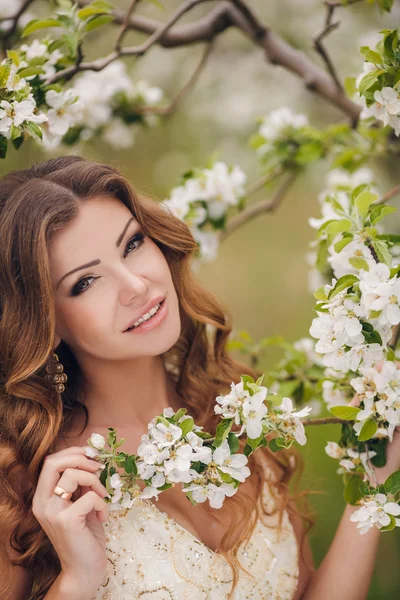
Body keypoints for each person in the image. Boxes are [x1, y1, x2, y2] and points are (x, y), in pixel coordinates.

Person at [0, 156, 398, 600]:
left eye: (132, 244)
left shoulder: (235, 409)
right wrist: (75, 581)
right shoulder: (26, 483)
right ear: (44, 323)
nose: (136, 284)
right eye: (86, 281)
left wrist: (376, 477)